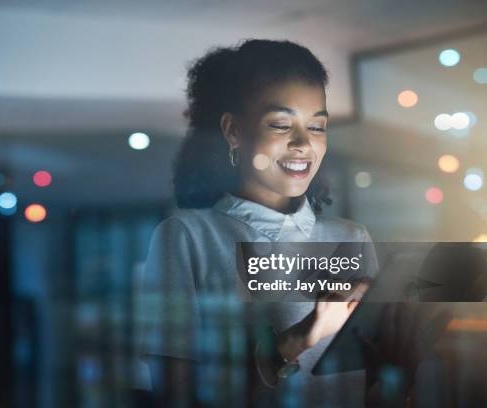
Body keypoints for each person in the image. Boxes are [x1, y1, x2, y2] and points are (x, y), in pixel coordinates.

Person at [135, 39, 427, 407]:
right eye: (280, 124)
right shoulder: (186, 237)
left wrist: (400, 368)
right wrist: (298, 340)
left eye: (318, 127)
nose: (303, 143)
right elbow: (174, 396)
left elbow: (371, 395)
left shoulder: (350, 237)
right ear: (233, 131)